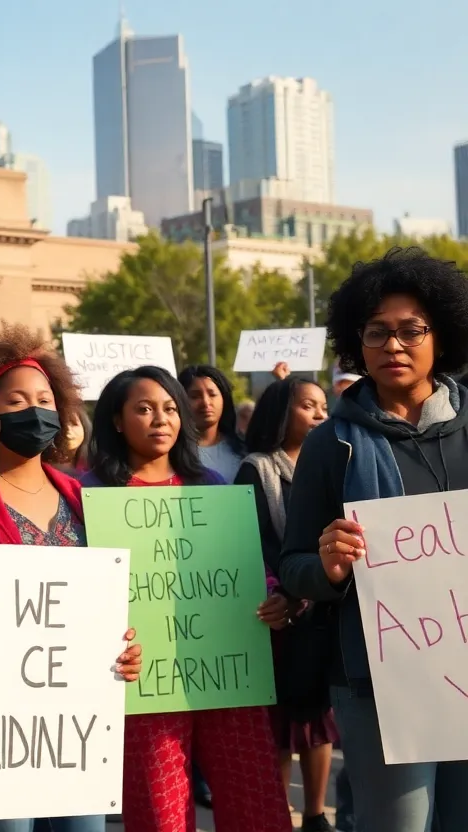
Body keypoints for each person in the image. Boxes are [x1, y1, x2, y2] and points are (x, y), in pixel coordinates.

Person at [278, 247, 468, 832]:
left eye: (411, 330)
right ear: (356, 343)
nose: (393, 345)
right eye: (377, 332)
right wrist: (329, 565)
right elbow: (293, 567)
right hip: (378, 684)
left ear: (441, 336)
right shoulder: (331, 444)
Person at [0, 325, 142, 832]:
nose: (34, 410)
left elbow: (111, 598)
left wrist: (125, 646)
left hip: (77, 719)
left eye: (45, 399)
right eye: (16, 400)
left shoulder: (82, 497)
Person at [81, 366, 292, 832]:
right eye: (144, 408)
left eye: (171, 408)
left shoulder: (213, 486)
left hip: (229, 677)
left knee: (255, 806)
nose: (161, 419)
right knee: (161, 815)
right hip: (146, 686)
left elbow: (247, 567)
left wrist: (274, 599)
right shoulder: (89, 494)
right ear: (116, 420)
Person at [235, 377, 336, 832]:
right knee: (280, 728)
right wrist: (284, 595)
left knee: (318, 725)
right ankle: (280, 818)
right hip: (276, 615)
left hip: (323, 613)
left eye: (323, 406)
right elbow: (249, 543)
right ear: (280, 413)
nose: (320, 414)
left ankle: (315, 816)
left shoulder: (331, 463)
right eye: (308, 406)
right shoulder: (255, 470)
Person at [178, 364, 246, 482]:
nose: (205, 402)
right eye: (195, 396)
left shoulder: (243, 450)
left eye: (212, 394)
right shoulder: (171, 452)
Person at [62, 408, 92, 475]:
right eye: (61, 425)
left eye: (74, 424)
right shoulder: (39, 467)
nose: (68, 430)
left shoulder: (95, 464)